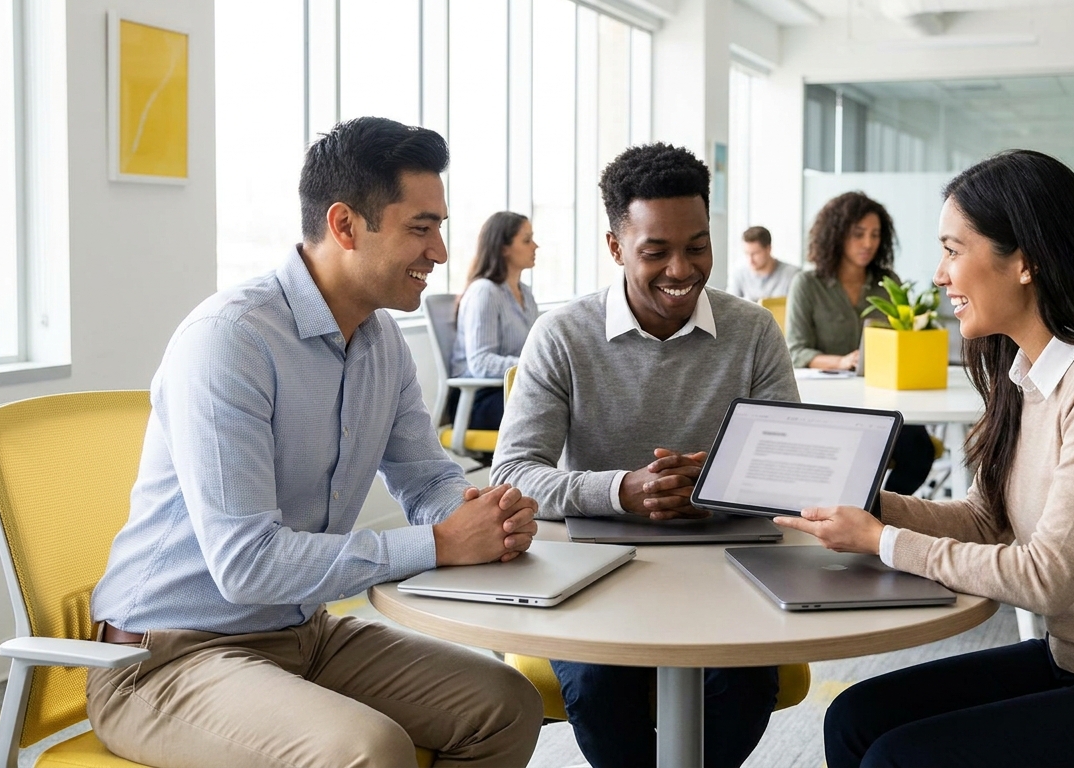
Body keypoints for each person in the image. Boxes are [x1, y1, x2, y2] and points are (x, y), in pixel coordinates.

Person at [87, 118, 544, 768]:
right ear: (344, 225)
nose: (440, 252)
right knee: (369, 751)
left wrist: (477, 513)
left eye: (439, 227)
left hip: (301, 634)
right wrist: (440, 544)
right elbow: (245, 564)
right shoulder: (231, 339)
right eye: (421, 227)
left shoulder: (383, 343)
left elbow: (424, 478)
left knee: (505, 704)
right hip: (164, 658)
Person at [777, 150, 1074, 768]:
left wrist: (883, 541)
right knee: (855, 717)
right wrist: (867, 508)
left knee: (899, 756)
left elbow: (1046, 577)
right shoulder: (1025, 373)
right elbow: (986, 520)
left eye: (953, 250)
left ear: (1025, 261)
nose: (940, 275)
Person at [491, 143, 795, 768]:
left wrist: (713, 482)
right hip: (592, 569)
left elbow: (790, 469)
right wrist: (621, 490)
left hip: (727, 567)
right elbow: (514, 473)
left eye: (698, 246)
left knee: (745, 684)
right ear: (615, 247)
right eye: (656, 251)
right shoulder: (562, 335)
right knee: (604, 689)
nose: (681, 269)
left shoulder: (755, 330)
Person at [785, 191, 935, 496]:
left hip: (881, 400)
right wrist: (841, 361)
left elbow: (902, 336)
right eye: (858, 234)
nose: (868, 243)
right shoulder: (808, 283)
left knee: (920, 449)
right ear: (837, 235)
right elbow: (796, 351)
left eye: (875, 234)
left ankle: (884, 516)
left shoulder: (886, 281)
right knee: (850, 457)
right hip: (831, 403)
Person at [449, 211, 540, 431]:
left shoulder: (525, 293)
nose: (535, 246)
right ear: (503, 248)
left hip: (516, 389)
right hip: (479, 399)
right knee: (560, 410)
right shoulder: (484, 292)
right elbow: (480, 362)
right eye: (526, 240)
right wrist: (534, 366)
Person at [726, 225, 800, 301]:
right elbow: (730, 305)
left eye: (755, 253)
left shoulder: (792, 275)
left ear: (768, 249)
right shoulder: (739, 275)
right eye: (747, 253)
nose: (750, 259)